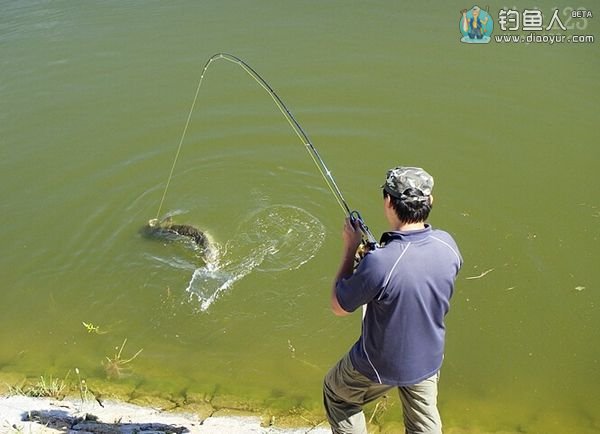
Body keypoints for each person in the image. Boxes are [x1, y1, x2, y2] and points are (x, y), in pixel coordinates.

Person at [323, 166, 462, 434]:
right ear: (430, 201)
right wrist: (379, 257)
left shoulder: (379, 263)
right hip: (428, 358)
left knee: (337, 394)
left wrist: (351, 248)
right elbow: (411, 275)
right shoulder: (448, 245)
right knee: (424, 424)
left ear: (388, 201)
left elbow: (338, 307)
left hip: (378, 363)